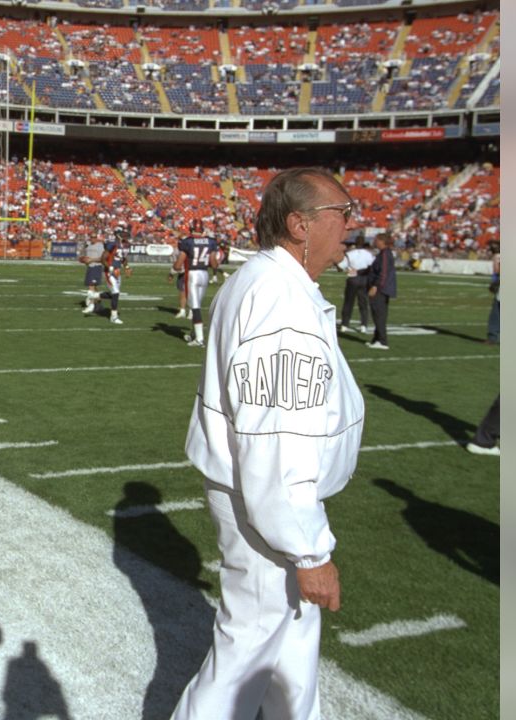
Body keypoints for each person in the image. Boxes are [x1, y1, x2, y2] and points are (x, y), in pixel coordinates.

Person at [177, 167, 364, 720]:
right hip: (266, 507)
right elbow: (277, 438)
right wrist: (307, 549)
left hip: (260, 499)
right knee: (243, 659)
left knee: (291, 650)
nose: (350, 227)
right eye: (342, 214)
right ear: (299, 224)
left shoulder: (264, 280)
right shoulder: (280, 300)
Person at [175, 220, 219, 347]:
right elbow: (214, 264)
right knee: (197, 306)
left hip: (193, 275)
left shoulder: (187, 242)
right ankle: (194, 334)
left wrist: (174, 269)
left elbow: (178, 265)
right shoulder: (210, 241)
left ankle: (199, 339)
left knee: (195, 307)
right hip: (204, 274)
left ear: (191, 229)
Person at [366, 232, 397, 350]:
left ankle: (383, 341)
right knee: (377, 314)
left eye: (376, 240)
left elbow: (383, 272)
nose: (374, 242)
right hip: (381, 288)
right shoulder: (383, 253)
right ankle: (376, 339)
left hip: (381, 290)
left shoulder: (385, 254)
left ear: (382, 241)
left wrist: (376, 286)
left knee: (379, 314)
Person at [337, 236, 374, 334]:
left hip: (352, 279)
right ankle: (363, 325)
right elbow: (372, 267)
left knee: (348, 302)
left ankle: (345, 324)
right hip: (364, 279)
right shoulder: (368, 254)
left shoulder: (350, 254)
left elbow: (341, 267)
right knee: (363, 303)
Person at [79, 236, 106, 317]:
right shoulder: (88, 246)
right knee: (94, 286)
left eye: (94, 237)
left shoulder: (100, 246)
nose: (93, 238)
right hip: (90, 267)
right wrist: (84, 260)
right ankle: (98, 302)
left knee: (91, 285)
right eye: (91, 237)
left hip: (96, 267)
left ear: (97, 238)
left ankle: (91, 305)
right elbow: (86, 257)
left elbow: (102, 258)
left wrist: (91, 260)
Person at [486, 241, 500, 345]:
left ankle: (492, 337)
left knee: (496, 312)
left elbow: (497, 270)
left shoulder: (497, 256)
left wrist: (495, 282)